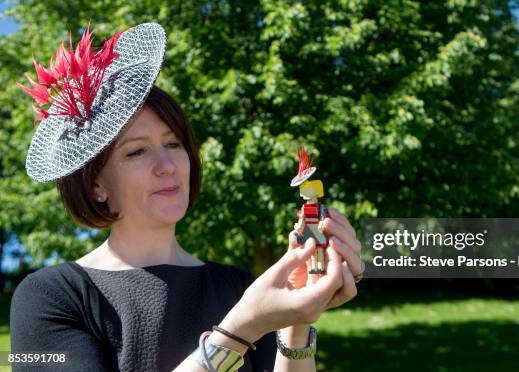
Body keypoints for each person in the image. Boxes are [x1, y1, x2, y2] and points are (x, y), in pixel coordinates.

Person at [10, 22, 365, 372]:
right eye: (137, 152)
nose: (167, 165)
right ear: (95, 185)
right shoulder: (47, 298)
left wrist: (295, 321)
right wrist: (240, 330)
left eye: (173, 144)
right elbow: (244, 325)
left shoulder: (237, 287)